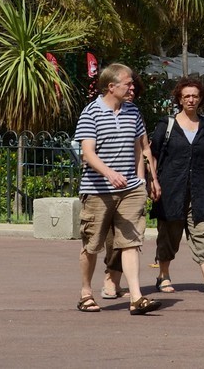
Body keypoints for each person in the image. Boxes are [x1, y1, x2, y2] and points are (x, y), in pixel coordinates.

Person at [75, 63, 159, 315]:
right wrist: (109, 173)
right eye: (127, 83)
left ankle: (136, 297)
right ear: (111, 86)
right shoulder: (91, 113)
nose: (132, 87)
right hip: (98, 189)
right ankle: (86, 293)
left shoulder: (133, 111)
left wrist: (142, 180)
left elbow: (140, 148)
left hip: (131, 190)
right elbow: (87, 153)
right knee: (92, 245)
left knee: (131, 242)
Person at [149, 75, 204, 296]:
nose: (191, 100)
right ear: (179, 99)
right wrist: (153, 181)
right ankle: (163, 276)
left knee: (201, 232)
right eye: (186, 96)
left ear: (201, 98)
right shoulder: (166, 125)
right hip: (171, 190)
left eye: (195, 96)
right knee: (169, 235)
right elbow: (152, 155)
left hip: (198, 190)